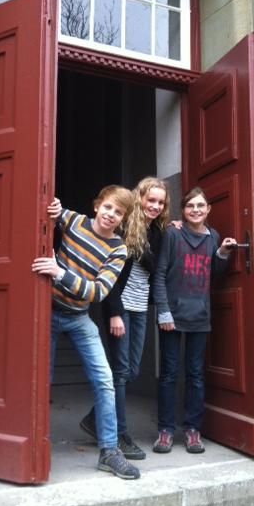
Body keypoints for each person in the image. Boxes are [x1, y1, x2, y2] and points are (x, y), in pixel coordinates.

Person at [31, 186, 141, 480]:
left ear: (123, 218)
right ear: (97, 206)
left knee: (105, 382)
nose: (111, 214)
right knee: (42, 380)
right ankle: (31, 445)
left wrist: (59, 272)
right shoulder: (75, 221)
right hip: (47, 311)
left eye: (118, 212)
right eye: (108, 207)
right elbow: (49, 209)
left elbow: (98, 292)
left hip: (79, 318)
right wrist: (52, 204)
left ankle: (110, 452)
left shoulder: (118, 249)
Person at [79, 177, 170, 460]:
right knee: (120, 372)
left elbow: (157, 267)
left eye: (160, 202)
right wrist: (115, 313)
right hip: (119, 307)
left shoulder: (158, 231)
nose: (155, 206)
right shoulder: (123, 226)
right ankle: (119, 433)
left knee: (131, 370)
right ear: (138, 198)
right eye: (150, 200)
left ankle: (95, 419)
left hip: (140, 307)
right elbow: (110, 278)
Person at [152, 186, 237, 455]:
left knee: (196, 375)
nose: (196, 210)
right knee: (169, 374)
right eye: (190, 206)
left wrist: (222, 252)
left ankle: (192, 430)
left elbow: (213, 274)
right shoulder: (173, 234)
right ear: (183, 210)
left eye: (200, 206)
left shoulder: (213, 237)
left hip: (200, 315)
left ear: (208, 209)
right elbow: (160, 273)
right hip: (172, 315)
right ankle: (165, 430)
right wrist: (163, 311)